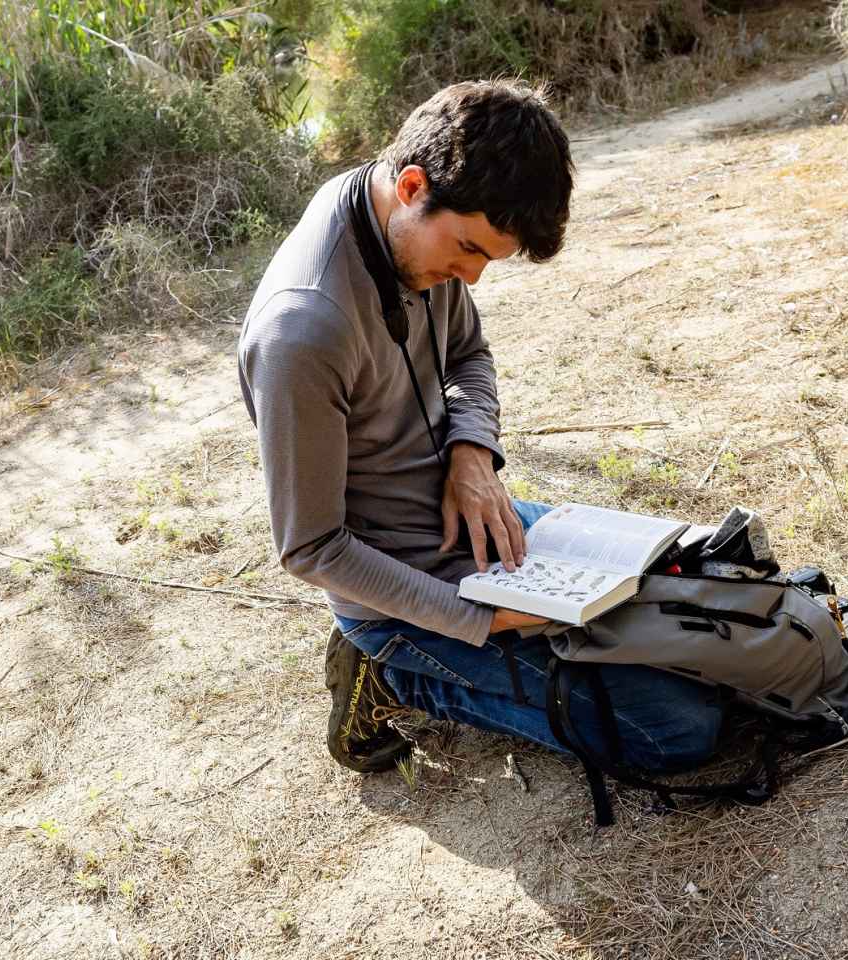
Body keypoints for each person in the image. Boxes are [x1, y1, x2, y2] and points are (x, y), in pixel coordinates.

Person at [236, 81, 724, 777]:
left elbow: (467, 354)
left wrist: (471, 455)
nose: (470, 277)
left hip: (484, 525)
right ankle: (392, 677)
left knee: (697, 581)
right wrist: (481, 621)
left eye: (487, 260)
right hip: (404, 594)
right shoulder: (304, 331)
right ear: (411, 185)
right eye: (468, 250)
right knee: (679, 730)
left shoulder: (400, 216)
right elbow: (311, 548)